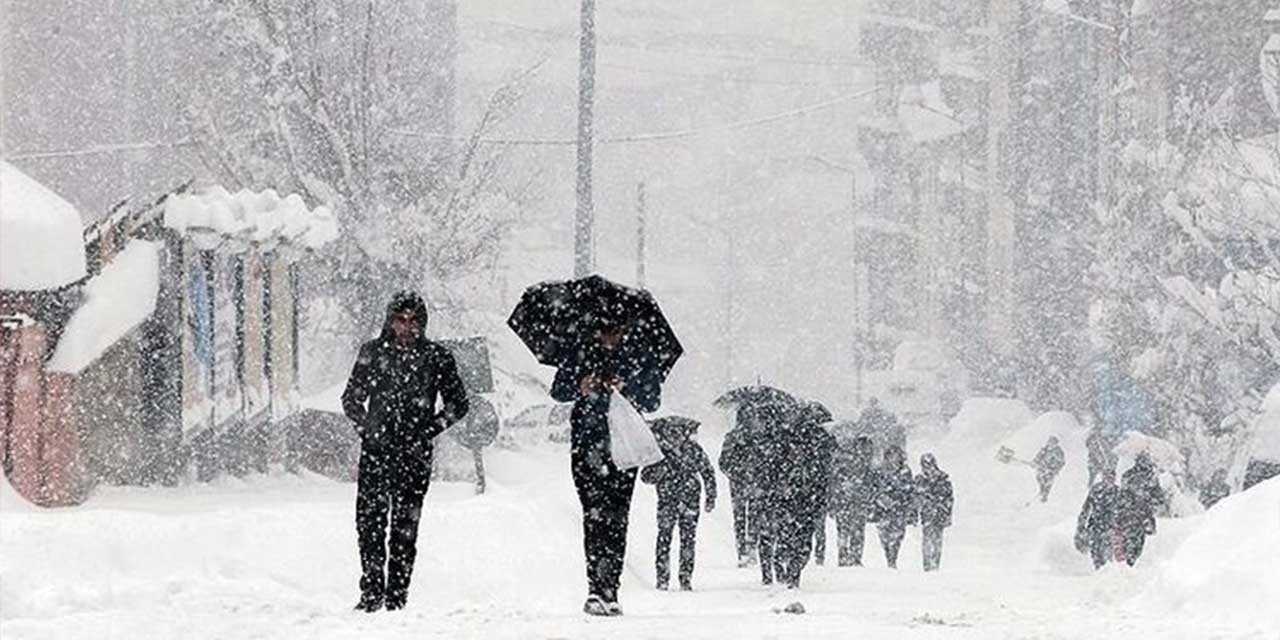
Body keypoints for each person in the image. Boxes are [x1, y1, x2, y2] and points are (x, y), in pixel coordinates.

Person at [341, 291, 469, 612]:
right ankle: (371, 590)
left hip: (414, 455)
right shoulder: (372, 353)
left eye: (414, 321)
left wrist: (430, 429)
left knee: (404, 528)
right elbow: (351, 399)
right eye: (401, 320)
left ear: (422, 323)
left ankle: (397, 594)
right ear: (390, 321)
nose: (407, 327)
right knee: (369, 523)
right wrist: (367, 428)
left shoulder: (436, 357)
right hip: (376, 452)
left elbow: (459, 404)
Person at [550, 315, 662, 617]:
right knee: (594, 515)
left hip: (622, 447)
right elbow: (558, 390)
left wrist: (628, 388)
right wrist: (580, 385)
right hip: (587, 447)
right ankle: (596, 588)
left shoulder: (639, 355)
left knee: (616, 517)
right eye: (604, 330)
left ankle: (610, 587)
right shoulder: (579, 352)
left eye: (616, 330)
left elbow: (653, 400)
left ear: (625, 330)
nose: (610, 337)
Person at [640, 422, 717, 591]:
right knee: (664, 539)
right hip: (667, 501)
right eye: (671, 433)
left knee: (688, 540)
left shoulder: (694, 450)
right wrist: (660, 470)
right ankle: (662, 578)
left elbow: (708, 472)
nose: (675, 437)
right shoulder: (658, 452)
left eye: (678, 433)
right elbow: (645, 476)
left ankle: (685, 578)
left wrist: (711, 496)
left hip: (691, 500)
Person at [772, 401, 836, 588]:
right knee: (801, 538)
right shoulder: (815, 441)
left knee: (792, 536)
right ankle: (793, 571)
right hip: (802, 497)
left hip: (800, 496)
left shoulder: (791, 437)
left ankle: (788, 569)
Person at [828, 435, 875, 566]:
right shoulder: (847, 463)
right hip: (846, 503)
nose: (867, 453)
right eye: (865, 449)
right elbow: (835, 482)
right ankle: (846, 556)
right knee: (847, 531)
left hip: (856, 503)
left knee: (855, 531)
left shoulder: (866, 467)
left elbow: (870, 485)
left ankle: (853, 557)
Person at [719, 419, 760, 567]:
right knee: (753, 516)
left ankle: (743, 550)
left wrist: (734, 473)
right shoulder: (759, 437)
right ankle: (751, 547)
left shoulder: (732, 437)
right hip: (754, 482)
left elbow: (723, 462)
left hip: (739, 483)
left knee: (740, 518)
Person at [872, 445, 915, 569]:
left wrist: (900, 500)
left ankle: (893, 558)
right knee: (884, 534)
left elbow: (909, 489)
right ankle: (888, 555)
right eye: (891, 455)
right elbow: (874, 488)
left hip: (899, 508)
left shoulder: (906, 471)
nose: (893, 458)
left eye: (896, 455)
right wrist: (880, 498)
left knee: (897, 534)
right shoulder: (880, 471)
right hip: (883, 509)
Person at [1117, 453, 1160, 566]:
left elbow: (1122, 495)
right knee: (1138, 540)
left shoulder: (1128, 475)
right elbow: (1159, 496)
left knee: (1131, 539)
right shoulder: (1151, 477)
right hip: (1142, 515)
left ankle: (1130, 560)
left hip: (1130, 514)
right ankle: (1132, 560)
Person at [1075, 468, 1120, 569]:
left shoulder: (1116, 491)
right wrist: (1081, 524)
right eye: (1107, 477)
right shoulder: (1098, 490)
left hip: (1107, 525)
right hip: (1097, 524)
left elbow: (1086, 508)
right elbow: (1086, 508)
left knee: (1105, 548)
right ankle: (1099, 567)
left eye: (1111, 477)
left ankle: (1104, 567)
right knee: (1097, 548)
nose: (1109, 480)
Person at [914, 453, 953, 572]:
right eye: (924, 465)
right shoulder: (920, 480)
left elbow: (949, 498)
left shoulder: (942, 479)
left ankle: (934, 564)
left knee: (936, 540)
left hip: (938, 513)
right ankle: (927, 564)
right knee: (928, 540)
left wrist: (947, 514)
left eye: (928, 464)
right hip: (928, 514)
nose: (926, 468)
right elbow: (915, 498)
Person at [1033, 436, 1066, 503]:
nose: (1050, 444)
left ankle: (1045, 494)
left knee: (1048, 481)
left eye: (1053, 443)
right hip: (1042, 468)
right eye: (1050, 442)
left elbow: (1061, 462)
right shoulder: (1044, 449)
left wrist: (1055, 469)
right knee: (1040, 478)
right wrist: (1035, 462)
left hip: (1051, 470)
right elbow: (1038, 456)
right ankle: (1042, 490)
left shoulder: (1058, 452)